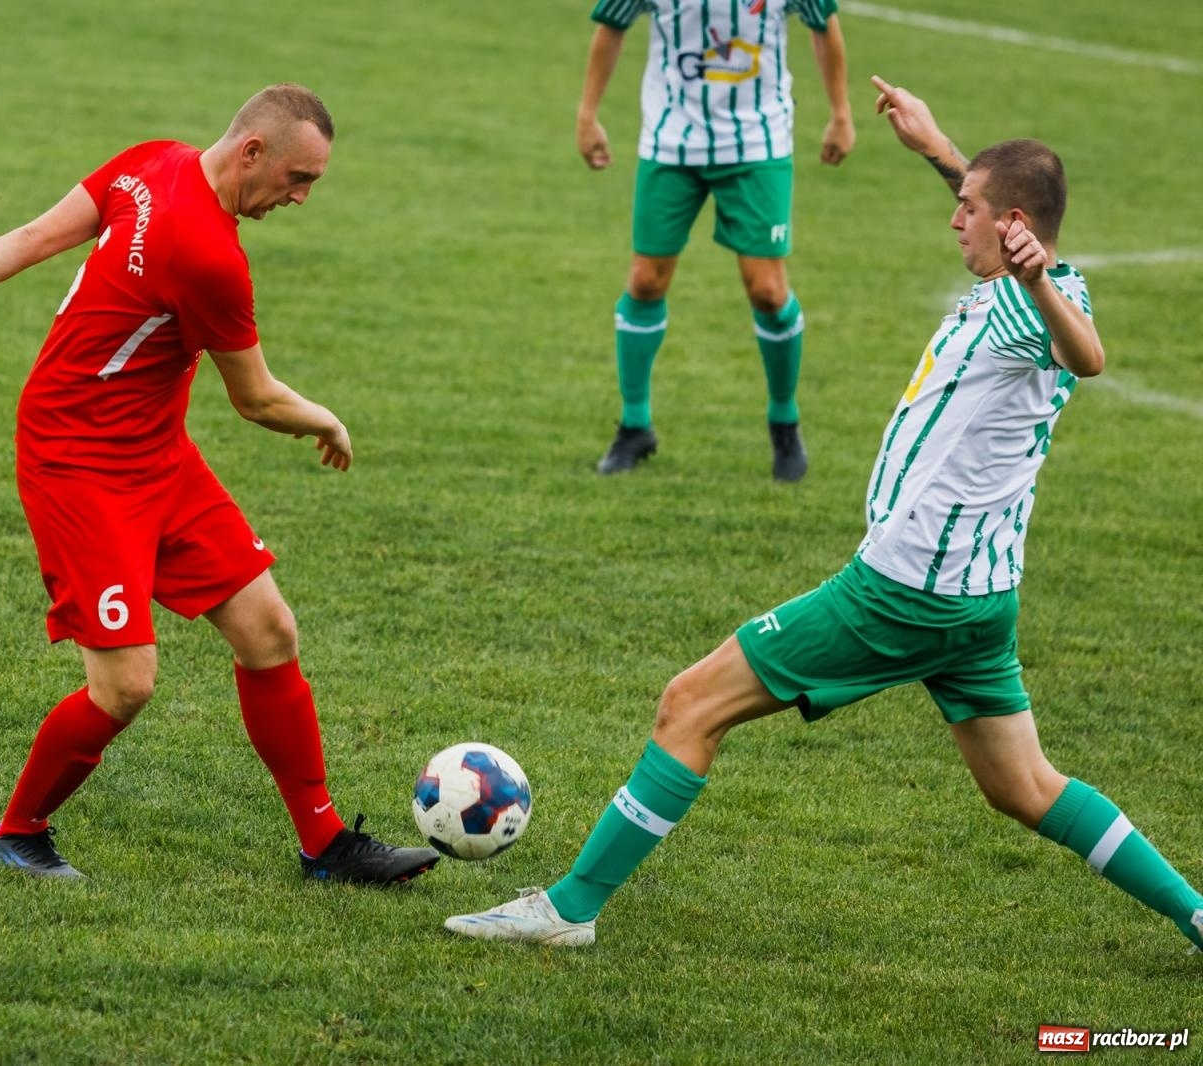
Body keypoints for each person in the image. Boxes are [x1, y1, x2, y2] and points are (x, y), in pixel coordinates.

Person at [444, 76, 1203, 952]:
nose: (954, 218)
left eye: (968, 209)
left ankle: (570, 907)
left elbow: (1089, 355)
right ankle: (1195, 914)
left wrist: (1031, 284)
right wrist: (935, 147)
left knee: (689, 705)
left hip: (902, 592)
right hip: (979, 600)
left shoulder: (1032, 312)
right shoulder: (1052, 275)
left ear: (1014, 229)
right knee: (1025, 786)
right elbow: (1027, 255)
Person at [0, 84, 439, 886]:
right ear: (251, 151)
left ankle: (324, 843)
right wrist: (326, 420)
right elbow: (255, 399)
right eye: (300, 178)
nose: (301, 197)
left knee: (269, 631)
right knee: (125, 684)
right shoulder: (210, 255)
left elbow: (36, 234)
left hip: (154, 450)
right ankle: (17, 831)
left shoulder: (154, 162)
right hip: (77, 461)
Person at [581, 0, 854, 479]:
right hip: (670, 142)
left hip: (758, 145)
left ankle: (784, 421)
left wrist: (841, 112)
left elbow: (823, 24)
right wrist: (588, 114)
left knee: (768, 291)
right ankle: (635, 425)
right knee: (645, 280)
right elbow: (611, 24)